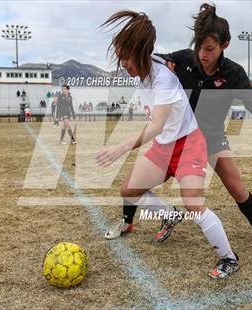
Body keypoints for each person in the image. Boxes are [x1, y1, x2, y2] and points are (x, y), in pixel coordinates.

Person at [98, 10, 239, 279]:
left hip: (188, 144)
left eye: (126, 57)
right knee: (129, 189)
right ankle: (168, 215)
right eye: (120, 57)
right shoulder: (146, 68)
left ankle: (229, 258)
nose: (123, 63)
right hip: (164, 146)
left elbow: (157, 126)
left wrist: (119, 148)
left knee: (194, 204)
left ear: (139, 52)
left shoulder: (163, 79)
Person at [148, 3, 252, 249]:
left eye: (210, 48)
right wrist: (164, 62)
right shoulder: (185, 58)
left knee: (236, 188)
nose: (203, 54)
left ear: (225, 45)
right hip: (181, 139)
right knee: (137, 184)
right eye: (200, 47)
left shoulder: (234, 73)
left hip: (212, 138)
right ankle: (130, 221)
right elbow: (156, 59)